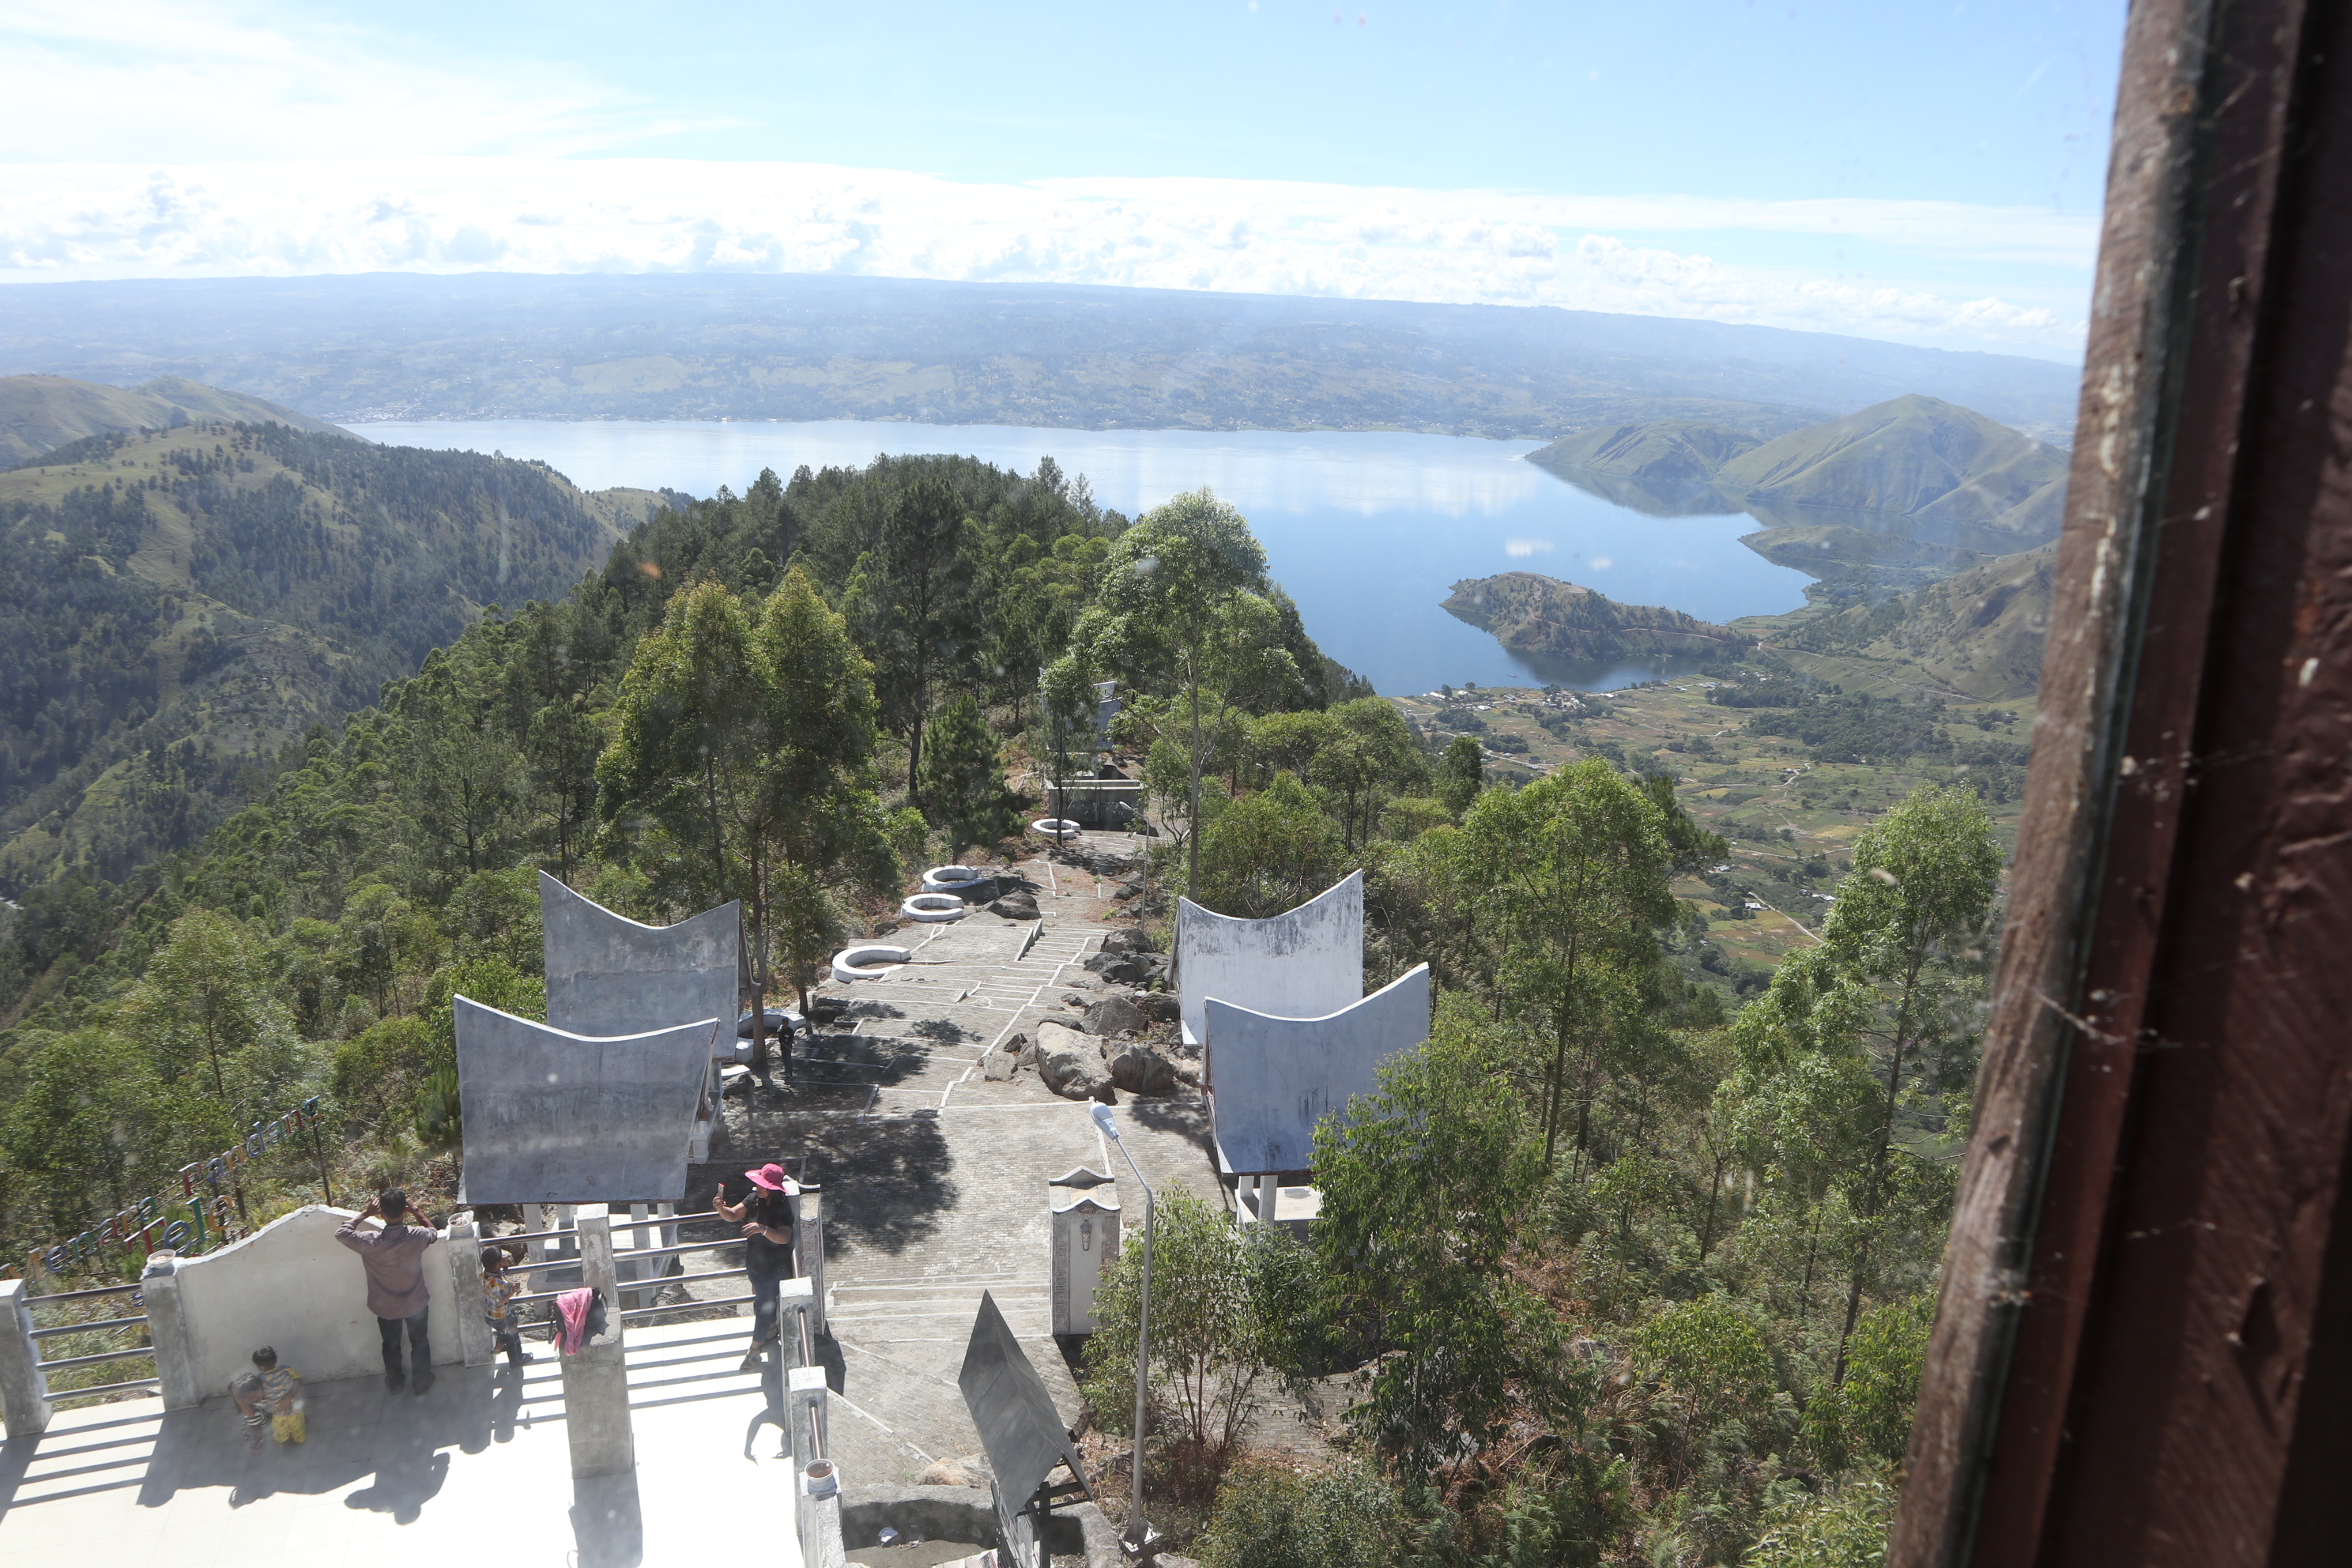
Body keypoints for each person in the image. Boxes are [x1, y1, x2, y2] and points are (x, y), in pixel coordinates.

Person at [336, 1189, 441, 1395]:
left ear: (380, 1212)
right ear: (404, 1210)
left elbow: (341, 1233)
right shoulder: (416, 1236)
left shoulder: (369, 1241)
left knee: (391, 1345)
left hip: (385, 1307)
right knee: (419, 1343)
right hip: (415, 1304)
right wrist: (416, 1210)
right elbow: (433, 1232)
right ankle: (421, 1383)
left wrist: (365, 1214)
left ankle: (395, 1384)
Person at [714, 1161, 798, 1374]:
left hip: (773, 1270)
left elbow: (785, 1237)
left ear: (772, 1188)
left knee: (762, 1309)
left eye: (762, 1185)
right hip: (753, 1263)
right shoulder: (753, 1199)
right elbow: (732, 1215)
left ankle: (754, 1350)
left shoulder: (782, 1207)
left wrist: (762, 1229)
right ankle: (770, 1331)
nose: (758, 1187)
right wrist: (720, 1208)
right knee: (761, 1302)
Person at [481, 1245, 533, 1367]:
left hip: (490, 1314)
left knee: (509, 1324)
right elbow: (500, 1302)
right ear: (497, 1264)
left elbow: (499, 1273)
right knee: (513, 1336)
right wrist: (513, 1291)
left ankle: (500, 1344)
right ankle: (517, 1359)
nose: (504, 1257)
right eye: (501, 1258)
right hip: (501, 1315)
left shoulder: (486, 1274)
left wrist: (502, 1265)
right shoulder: (497, 1283)